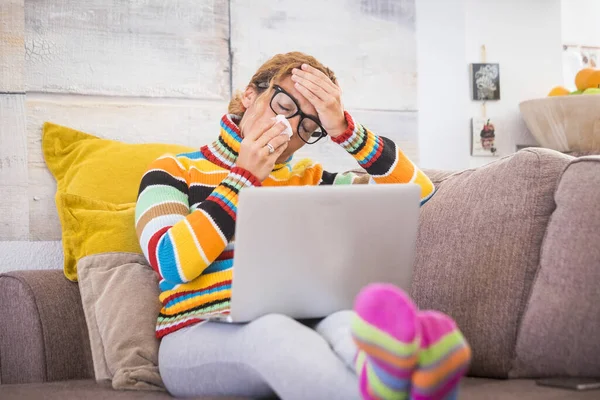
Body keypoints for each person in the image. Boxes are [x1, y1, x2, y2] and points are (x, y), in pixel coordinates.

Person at [135, 52, 471, 400]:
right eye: (283, 105)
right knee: (274, 332)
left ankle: (406, 377)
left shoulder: (310, 179)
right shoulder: (173, 169)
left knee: (346, 325)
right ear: (249, 95)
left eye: (308, 127)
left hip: (308, 320)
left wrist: (345, 130)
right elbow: (173, 261)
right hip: (197, 332)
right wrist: (243, 179)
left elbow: (416, 192)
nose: (291, 129)